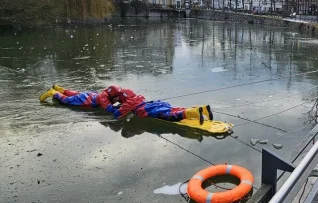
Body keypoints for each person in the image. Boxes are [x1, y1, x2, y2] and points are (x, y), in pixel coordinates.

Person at [40, 85, 213, 124]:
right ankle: (55, 90)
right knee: (69, 98)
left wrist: (114, 110)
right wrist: (112, 107)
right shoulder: (131, 96)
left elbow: (117, 112)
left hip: (88, 99)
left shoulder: (115, 99)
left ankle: (54, 91)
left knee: (168, 114)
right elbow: (107, 103)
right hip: (150, 103)